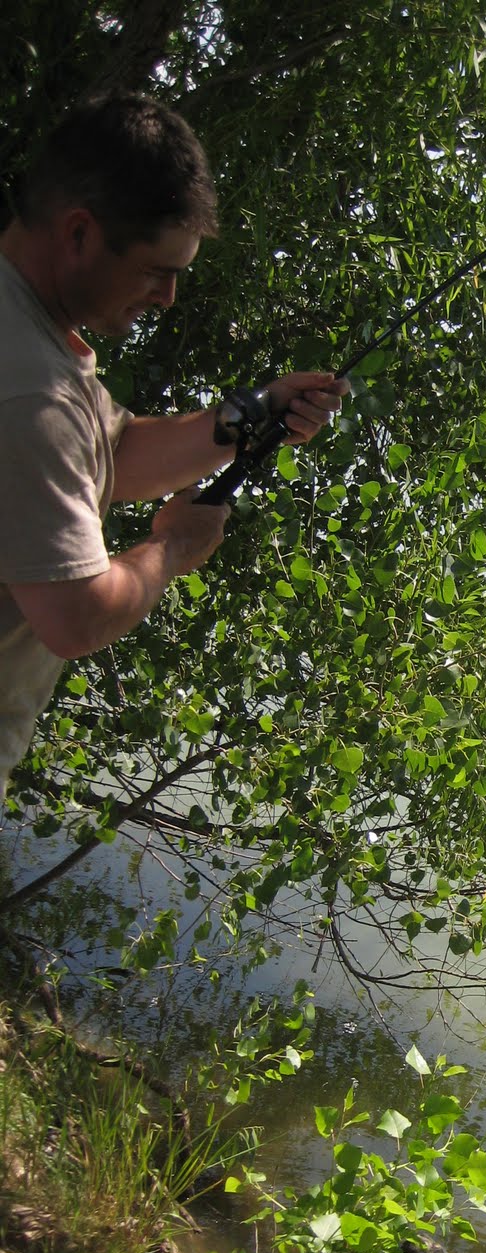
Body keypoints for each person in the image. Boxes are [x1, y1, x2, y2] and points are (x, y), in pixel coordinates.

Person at [0, 93, 348, 802]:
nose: (168, 296)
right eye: (157, 270)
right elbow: (75, 617)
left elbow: (111, 455)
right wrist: (173, 548)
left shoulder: (25, 330)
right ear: (79, 232)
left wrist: (251, 414)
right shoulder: (33, 392)